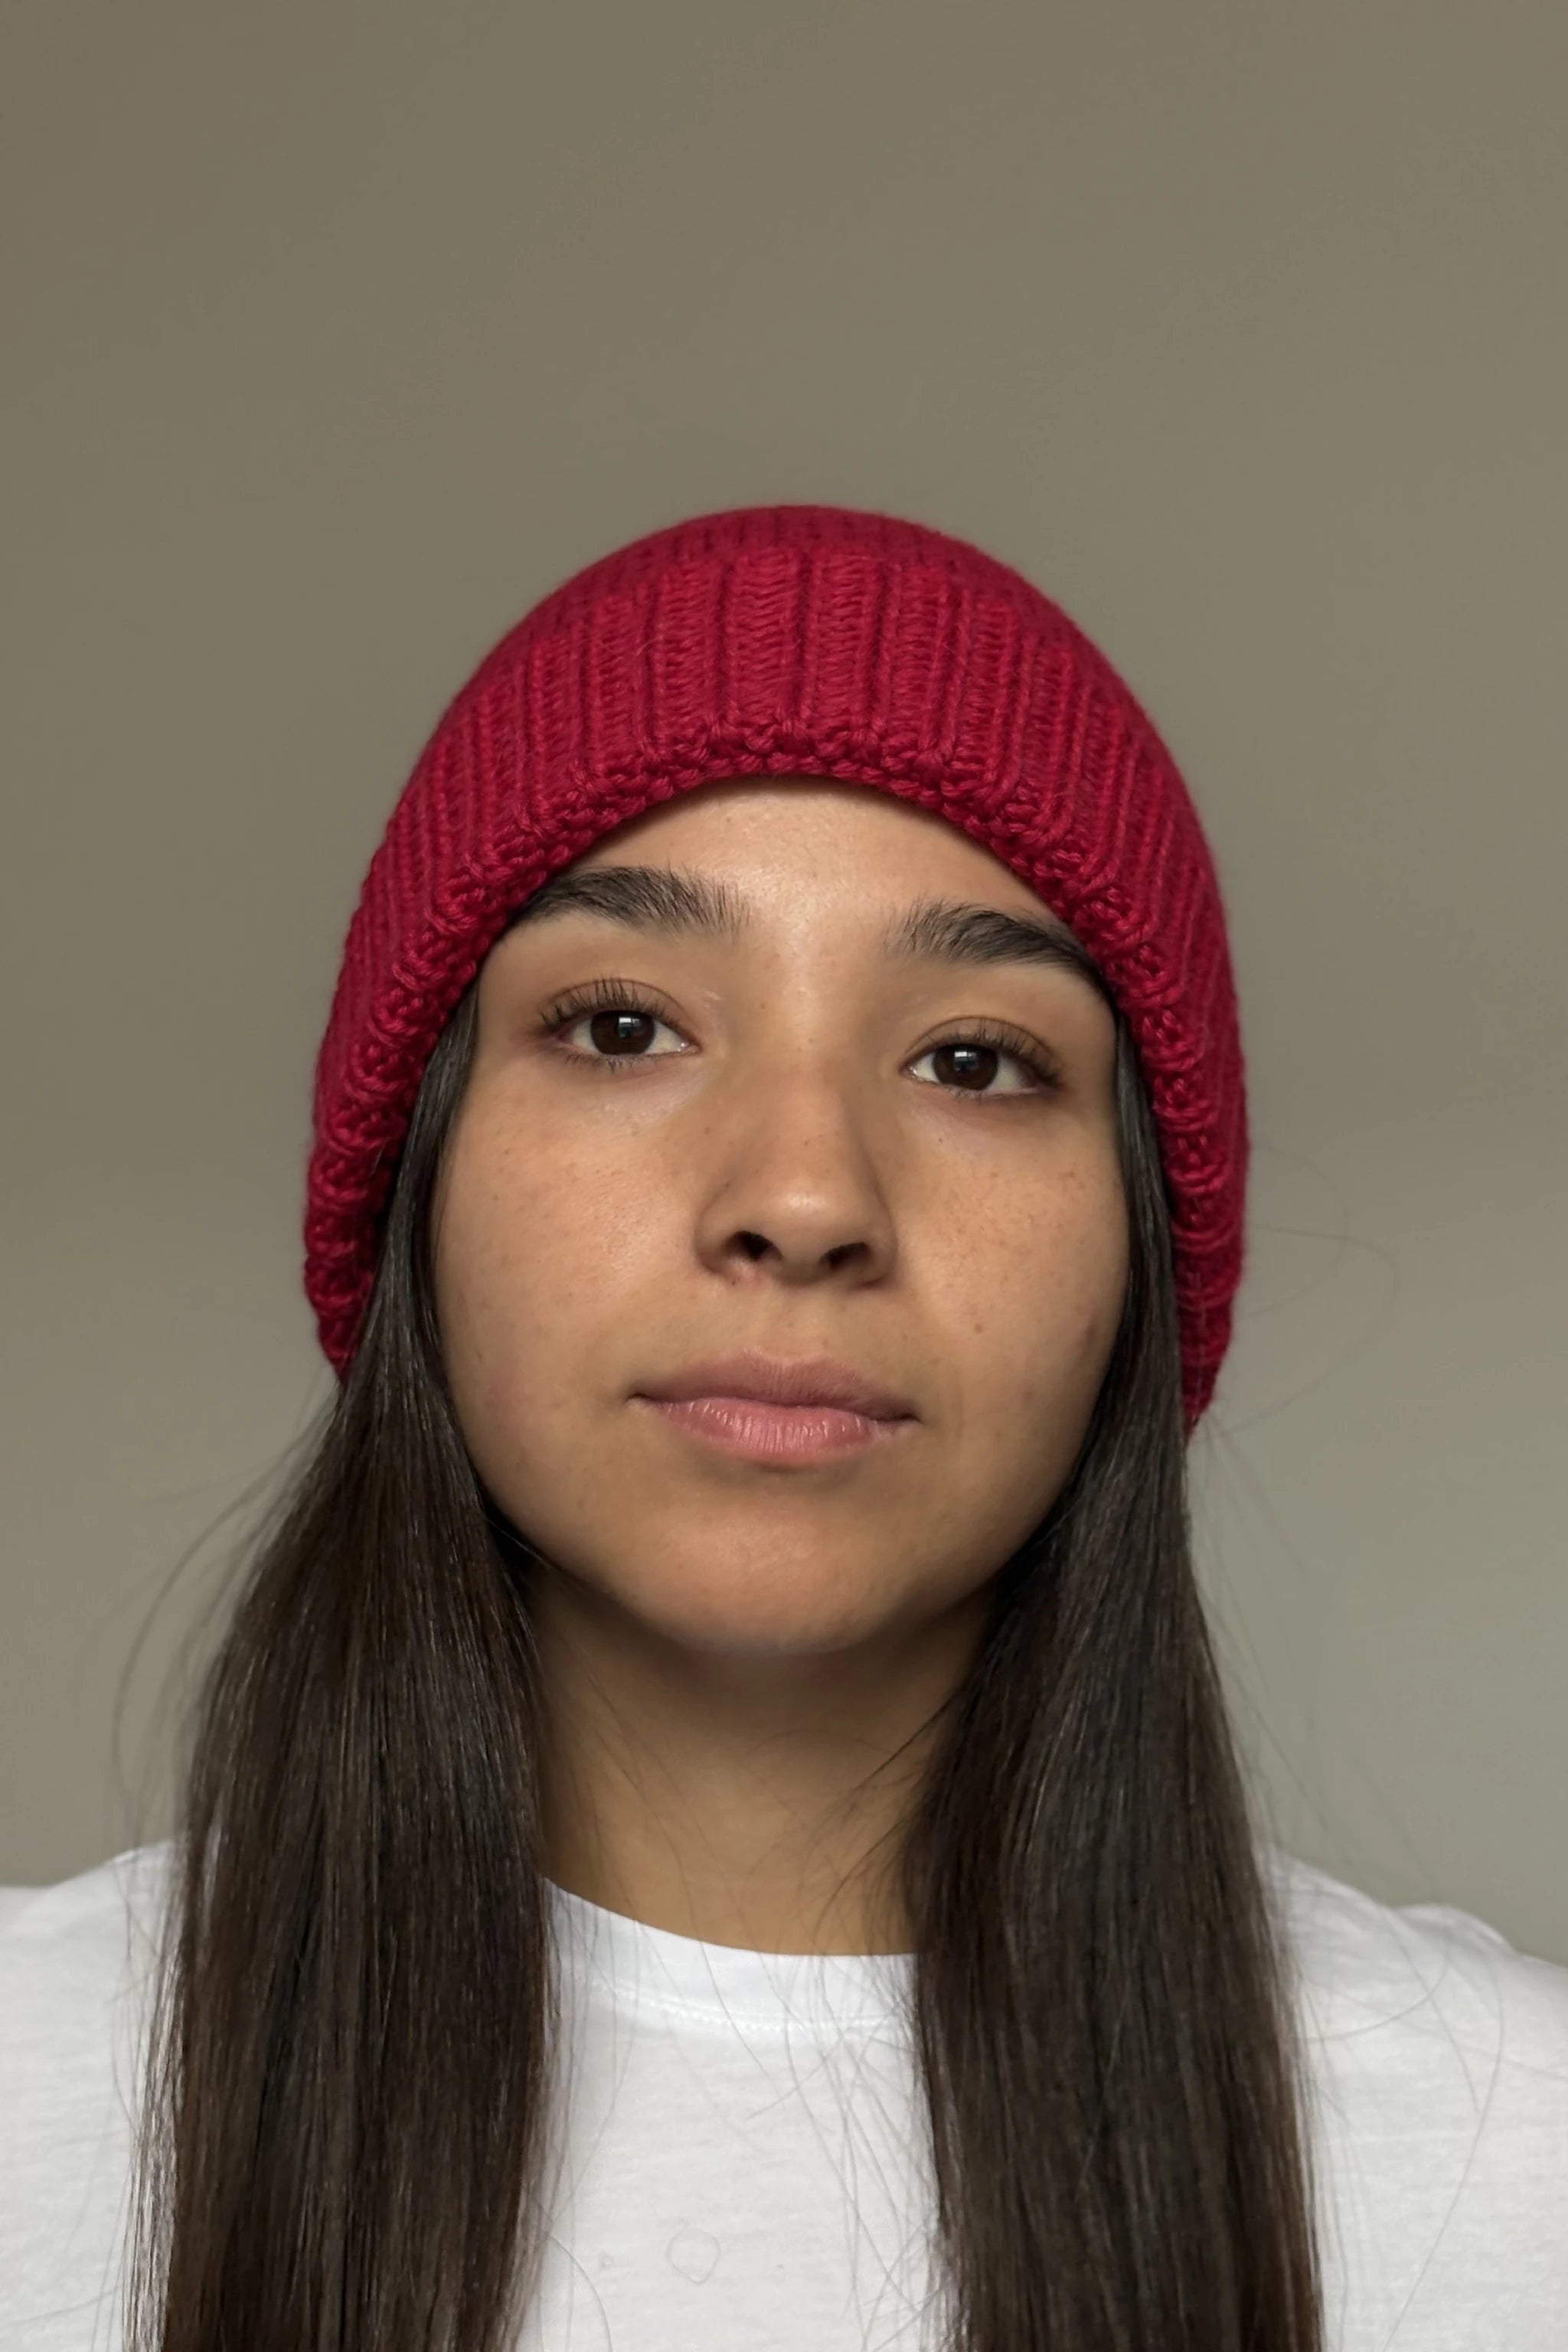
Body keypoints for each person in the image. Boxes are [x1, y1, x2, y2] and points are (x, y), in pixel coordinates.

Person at [2, 504, 1563, 2352]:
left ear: (1138, 1253)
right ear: (416, 1180)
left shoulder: (1512, 2162)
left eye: (973, 1059)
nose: (805, 1193)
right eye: (622, 1027)